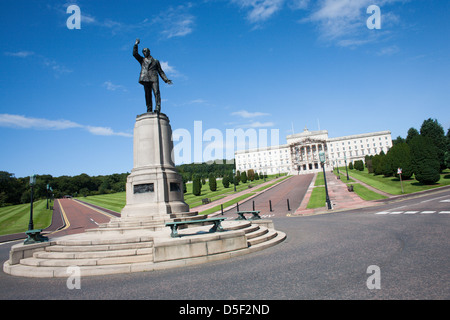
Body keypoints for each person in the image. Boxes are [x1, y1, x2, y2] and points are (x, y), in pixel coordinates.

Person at [133, 39, 172, 113]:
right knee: (147, 95)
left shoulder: (155, 61)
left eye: (145, 51)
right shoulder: (142, 60)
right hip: (145, 78)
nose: (144, 52)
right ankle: (149, 109)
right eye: (143, 51)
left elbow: (160, 71)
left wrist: (166, 79)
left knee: (156, 93)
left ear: (149, 52)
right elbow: (135, 54)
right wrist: (136, 44)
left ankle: (157, 108)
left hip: (154, 78)